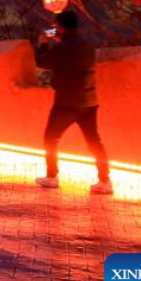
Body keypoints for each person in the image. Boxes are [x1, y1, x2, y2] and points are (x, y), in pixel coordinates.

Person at [34, 10, 112, 195]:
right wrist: (59, 41)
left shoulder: (62, 48)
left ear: (60, 26)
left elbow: (43, 62)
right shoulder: (87, 45)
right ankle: (105, 180)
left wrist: (43, 44)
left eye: (56, 27)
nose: (54, 30)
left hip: (67, 102)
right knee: (94, 141)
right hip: (89, 102)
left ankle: (52, 177)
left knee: (51, 138)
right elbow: (72, 57)